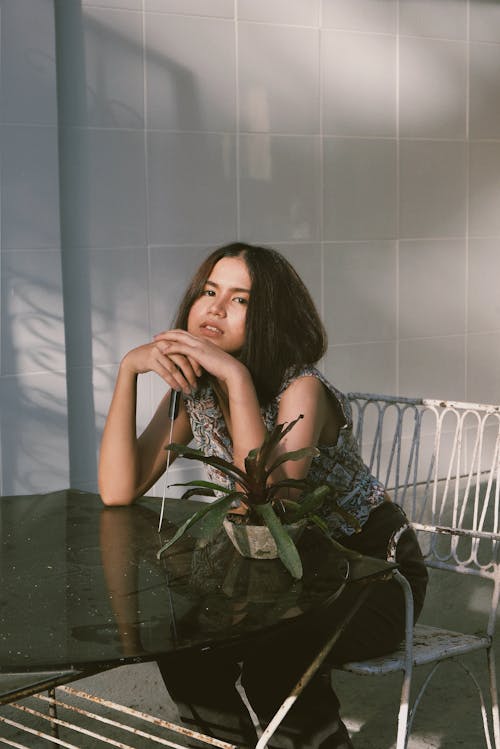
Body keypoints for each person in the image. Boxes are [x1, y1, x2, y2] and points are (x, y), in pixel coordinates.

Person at [98, 242, 428, 748]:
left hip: (371, 575)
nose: (214, 306)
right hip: (282, 578)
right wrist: (127, 370)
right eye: (209, 291)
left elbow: (267, 506)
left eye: (240, 299)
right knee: (182, 644)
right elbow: (119, 490)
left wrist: (236, 377)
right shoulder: (196, 388)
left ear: (270, 317)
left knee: (275, 655)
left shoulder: (303, 390)